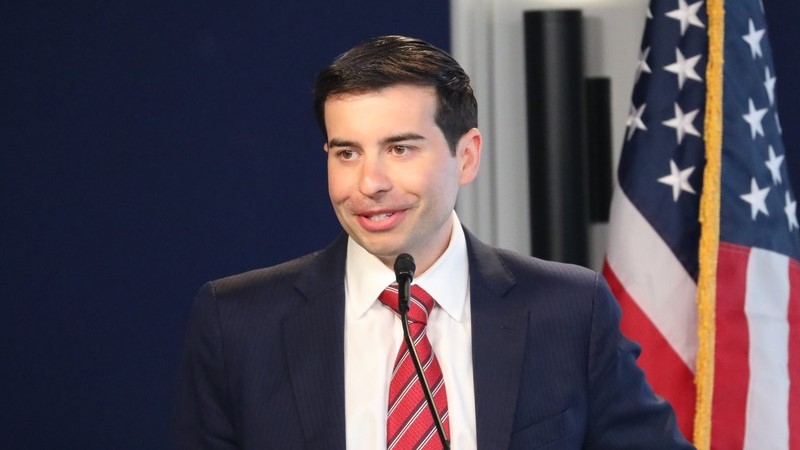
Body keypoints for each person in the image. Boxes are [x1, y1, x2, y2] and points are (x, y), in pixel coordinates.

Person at [173, 35, 694, 449]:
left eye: (400, 149)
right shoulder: (237, 322)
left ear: (466, 157)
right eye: (347, 153)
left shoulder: (570, 310)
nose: (370, 183)